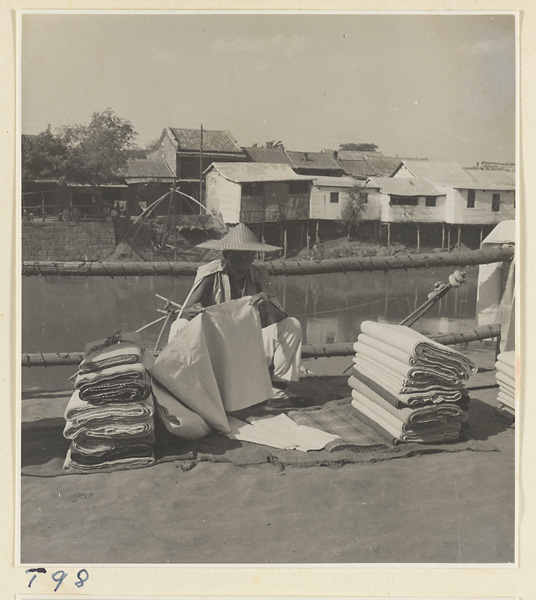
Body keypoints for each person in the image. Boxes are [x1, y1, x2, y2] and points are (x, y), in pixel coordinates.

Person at [168, 223, 303, 405]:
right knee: (179, 326)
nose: (243, 265)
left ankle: (277, 387)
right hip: (216, 348)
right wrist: (191, 313)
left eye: (248, 259)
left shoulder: (259, 276)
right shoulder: (211, 274)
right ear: (226, 256)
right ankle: (178, 384)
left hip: (248, 346)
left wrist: (266, 304)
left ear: (254, 257)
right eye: (237, 259)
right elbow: (185, 311)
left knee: (292, 325)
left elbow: (281, 319)